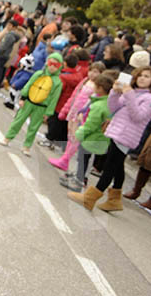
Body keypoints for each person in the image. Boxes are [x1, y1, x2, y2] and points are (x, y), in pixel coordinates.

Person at [68, 66, 151, 211]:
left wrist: (129, 95)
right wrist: (114, 92)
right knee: (117, 167)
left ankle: (90, 198)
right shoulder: (132, 92)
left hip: (126, 136)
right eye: (141, 75)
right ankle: (114, 200)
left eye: (147, 76)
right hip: (116, 131)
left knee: (110, 167)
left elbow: (137, 116)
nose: (143, 78)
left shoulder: (147, 98)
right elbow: (113, 107)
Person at [0, 52, 64, 156]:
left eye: (56, 65)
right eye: (51, 63)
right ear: (47, 63)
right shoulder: (38, 74)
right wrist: (23, 98)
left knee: (33, 128)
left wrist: (48, 113)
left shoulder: (58, 82)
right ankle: (7, 138)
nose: (52, 67)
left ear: (60, 67)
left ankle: (26, 146)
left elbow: (54, 99)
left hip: (41, 107)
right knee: (18, 121)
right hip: (29, 102)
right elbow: (28, 86)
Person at [51, 61, 106, 182]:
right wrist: (66, 109)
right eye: (91, 70)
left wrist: (85, 114)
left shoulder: (98, 87)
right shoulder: (85, 80)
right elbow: (74, 96)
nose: (92, 74)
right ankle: (65, 158)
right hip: (74, 112)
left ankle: (65, 159)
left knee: (76, 138)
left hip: (83, 115)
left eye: (96, 72)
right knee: (70, 135)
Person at [66, 72, 115, 193]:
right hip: (98, 137)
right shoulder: (107, 103)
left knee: (83, 158)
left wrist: (79, 134)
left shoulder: (99, 105)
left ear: (100, 88)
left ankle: (79, 181)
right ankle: (79, 178)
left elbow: (91, 124)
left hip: (92, 136)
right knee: (87, 159)